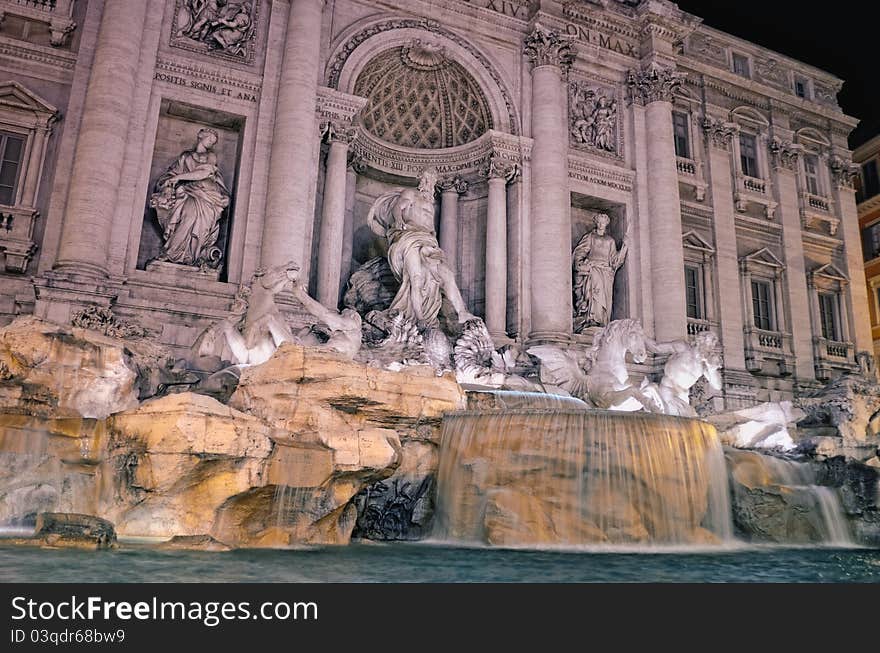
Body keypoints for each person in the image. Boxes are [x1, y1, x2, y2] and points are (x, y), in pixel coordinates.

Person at [367, 168, 476, 330]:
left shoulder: (430, 204)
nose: (429, 184)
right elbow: (399, 207)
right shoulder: (411, 194)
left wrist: (433, 236)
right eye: (427, 180)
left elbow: (430, 226)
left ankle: (462, 312)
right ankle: (418, 317)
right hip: (409, 237)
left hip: (427, 241)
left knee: (446, 275)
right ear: (421, 182)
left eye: (432, 182)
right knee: (415, 278)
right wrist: (398, 221)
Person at [150, 128, 229, 267]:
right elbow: (170, 175)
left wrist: (179, 177)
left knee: (200, 223)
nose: (211, 143)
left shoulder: (211, 157)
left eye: (214, 141)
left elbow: (204, 172)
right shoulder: (185, 157)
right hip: (188, 193)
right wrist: (169, 182)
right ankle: (173, 252)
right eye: (210, 139)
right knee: (189, 216)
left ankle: (192, 255)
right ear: (201, 136)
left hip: (208, 197)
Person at [644, 330, 723, 417]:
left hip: (683, 396)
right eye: (709, 343)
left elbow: (718, 386)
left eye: (713, 345)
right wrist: (642, 336)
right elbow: (656, 347)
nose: (711, 347)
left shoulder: (704, 365)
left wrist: (712, 370)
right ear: (699, 341)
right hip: (669, 390)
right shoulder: (682, 347)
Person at [572, 213, 628, 331]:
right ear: (596, 223)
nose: (601, 224)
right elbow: (580, 252)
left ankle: (602, 320)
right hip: (593, 269)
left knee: (604, 297)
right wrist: (580, 263)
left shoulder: (610, 241)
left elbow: (615, 261)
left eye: (603, 222)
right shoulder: (590, 237)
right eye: (599, 222)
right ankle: (592, 319)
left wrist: (625, 247)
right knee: (594, 294)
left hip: (606, 273)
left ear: (606, 224)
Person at [290, 281, 363, 359]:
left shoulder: (352, 323)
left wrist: (299, 294)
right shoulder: (348, 334)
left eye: (342, 315)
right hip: (334, 357)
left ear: (353, 316)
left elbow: (323, 314)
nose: (339, 316)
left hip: (335, 354)